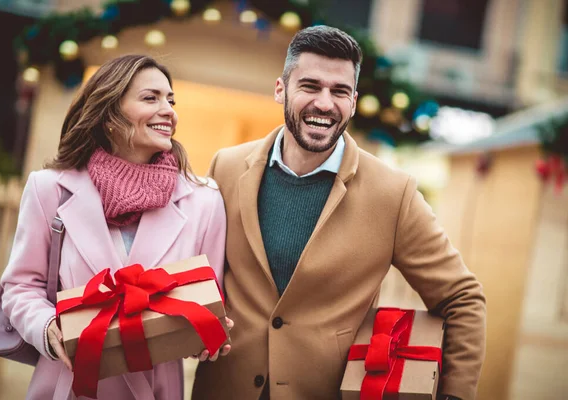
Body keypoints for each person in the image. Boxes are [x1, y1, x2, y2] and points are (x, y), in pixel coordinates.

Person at [192, 26, 486, 400]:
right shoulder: (226, 167)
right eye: (310, 86)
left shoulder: (394, 194)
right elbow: (200, 271)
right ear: (281, 89)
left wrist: (455, 395)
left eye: (340, 91)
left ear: (354, 100)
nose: (325, 103)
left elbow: (462, 298)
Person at [0, 54, 232, 400]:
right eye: (150, 98)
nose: (168, 110)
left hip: (153, 388)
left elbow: (208, 300)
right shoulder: (49, 189)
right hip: (69, 382)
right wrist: (48, 328)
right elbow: (20, 286)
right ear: (109, 115)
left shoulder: (204, 201)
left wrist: (207, 335)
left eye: (170, 100)